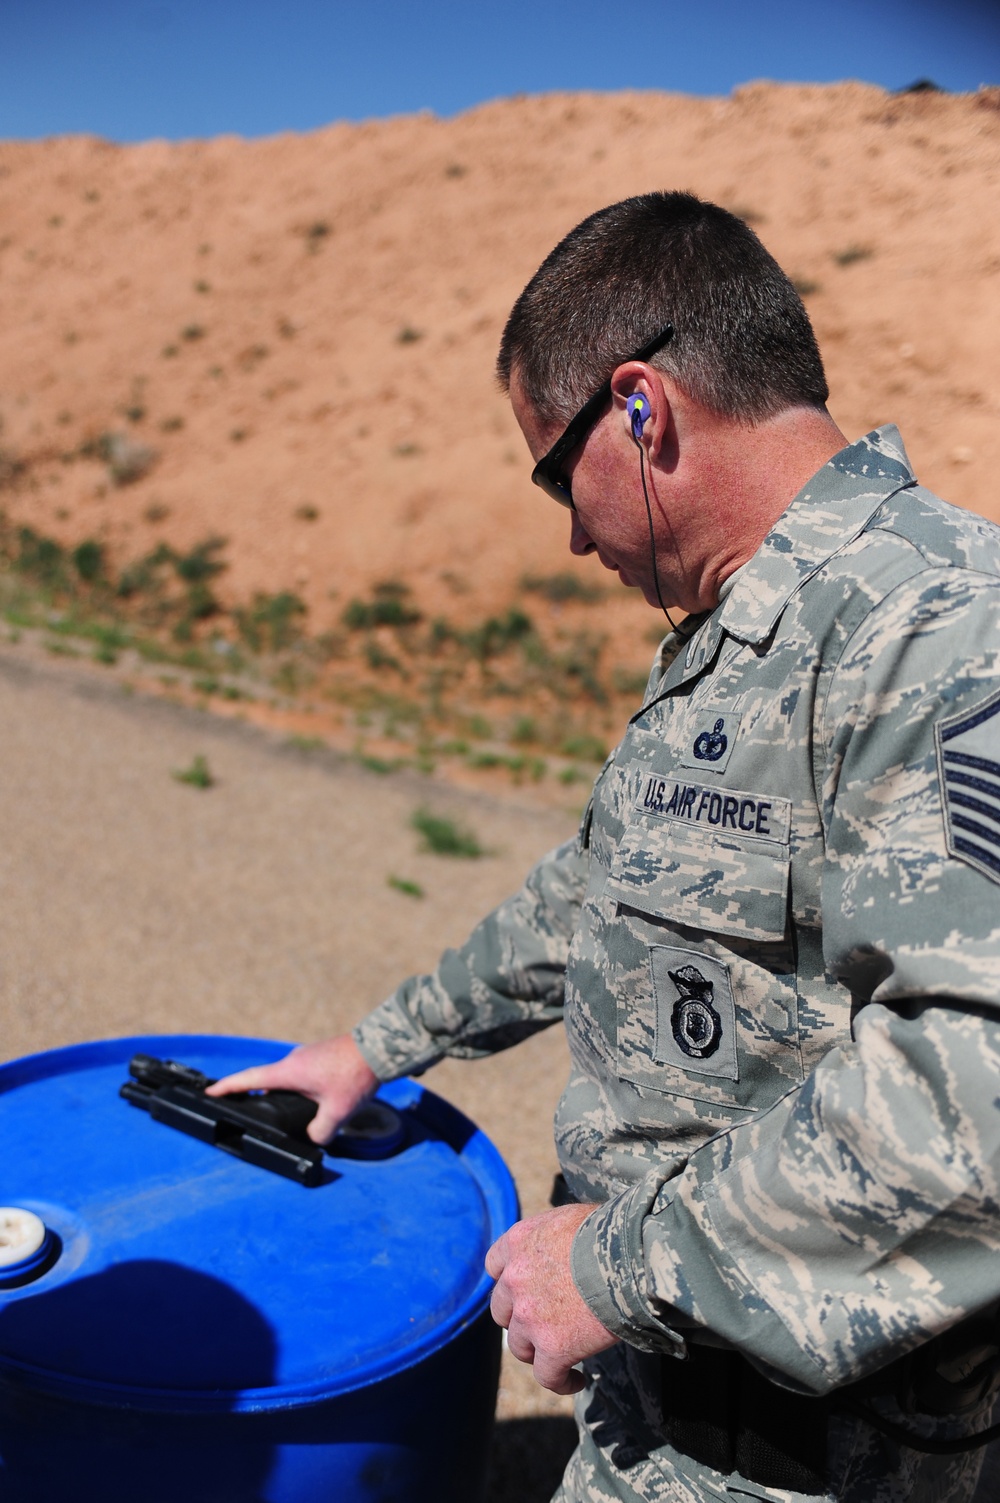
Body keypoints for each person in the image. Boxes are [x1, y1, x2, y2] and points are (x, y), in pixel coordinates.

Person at [209, 193, 1000, 1503]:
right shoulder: (747, 629)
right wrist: (383, 1041)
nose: (571, 535)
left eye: (551, 473)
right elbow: (604, 893)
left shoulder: (945, 634)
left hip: (819, 1458)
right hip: (668, 1414)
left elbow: (968, 1103)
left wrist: (614, 1270)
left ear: (640, 409)